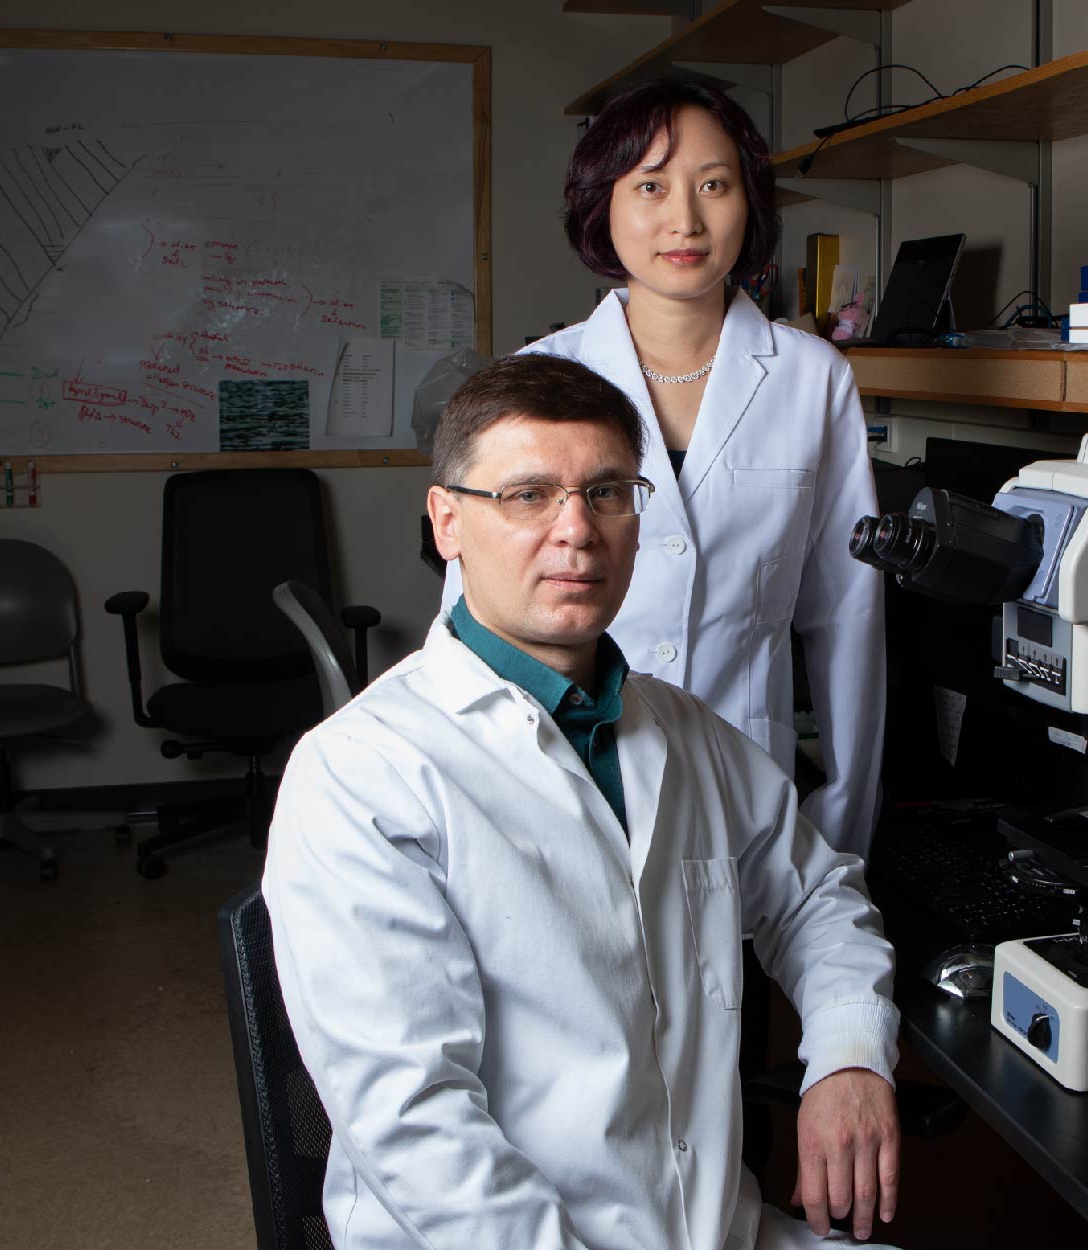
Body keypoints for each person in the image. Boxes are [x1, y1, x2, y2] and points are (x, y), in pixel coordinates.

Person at [268, 354, 903, 1250]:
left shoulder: (685, 734)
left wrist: (846, 1055)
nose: (578, 532)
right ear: (447, 520)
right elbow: (417, 1126)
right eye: (527, 495)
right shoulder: (362, 773)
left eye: (608, 493)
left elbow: (815, 897)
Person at [437, 78, 884, 856]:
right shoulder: (539, 375)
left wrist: (842, 826)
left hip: (743, 787)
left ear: (751, 203)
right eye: (650, 185)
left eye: (714, 184)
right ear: (602, 205)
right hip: (557, 775)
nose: (686, 219)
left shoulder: (813, 379)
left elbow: (847, 617)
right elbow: (470, 619)